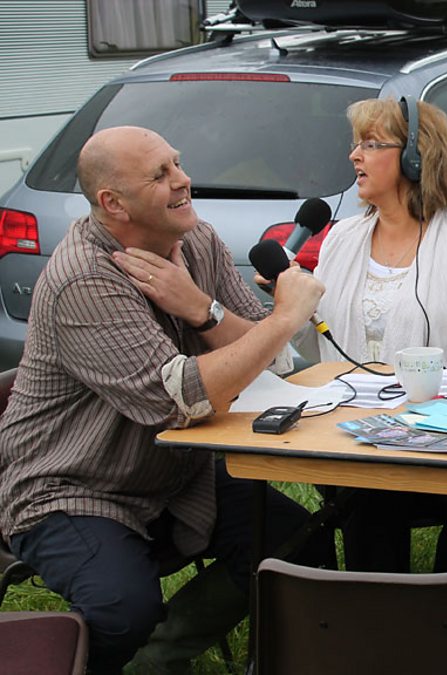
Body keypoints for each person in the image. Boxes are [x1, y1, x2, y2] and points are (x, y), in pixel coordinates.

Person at [0, 126, 333, 674]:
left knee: (299, 544)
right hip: (71, 487)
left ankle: (155, 660)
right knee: (122, 610)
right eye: (160, 174)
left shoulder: (196, 238)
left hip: (175, 471)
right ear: (113, 203)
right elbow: (180, 400)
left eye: (177, 163)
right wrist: (284, 318)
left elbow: (266, 360)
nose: (183, 180)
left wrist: (202, 309)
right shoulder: (84, 279)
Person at [299, 97, 447, 573]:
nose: (354, 155)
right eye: (355, 144)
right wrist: (289, 307)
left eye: (371, 144)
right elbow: (312, 352)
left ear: (417, 157)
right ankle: (384, 613)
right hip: (354, 442)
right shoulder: (341, 238)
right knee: (368, 494)